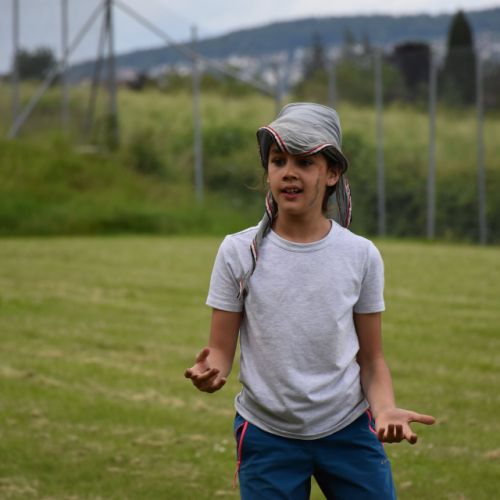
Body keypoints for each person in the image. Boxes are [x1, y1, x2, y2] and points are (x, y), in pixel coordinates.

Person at [185, 102, 435, 499]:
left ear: (332, 173)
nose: (289, 172)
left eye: (304, 162)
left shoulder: (361, 255)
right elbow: (220, 351)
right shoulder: (238, 252)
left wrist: (385, 409)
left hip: (348, 429)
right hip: (267, 435)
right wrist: (209, 370)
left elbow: (372, 359)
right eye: (278, 160)